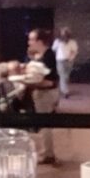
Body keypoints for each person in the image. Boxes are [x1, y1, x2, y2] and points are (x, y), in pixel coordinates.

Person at [26, 28, 60, 164]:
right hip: (43, 92)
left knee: (45, 124)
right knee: (44, 124)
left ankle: (48, 154)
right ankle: (46, 152)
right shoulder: (42, 54)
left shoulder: (48, 55)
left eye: (31, 39)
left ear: (39, 41)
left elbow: (49, 79)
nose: (29, 42)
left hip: (47, 93)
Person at [52, 27, 78, 98]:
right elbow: (53, 49)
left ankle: (63, 88)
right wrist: (58, 44)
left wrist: (71, 58)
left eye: (65, 35)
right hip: (60, 60)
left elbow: (74, 51)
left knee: (66, 76)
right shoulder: (57, 41)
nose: (64, 36)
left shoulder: (72, 42)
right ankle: (65, 91)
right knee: (62, 75)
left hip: (69, 61)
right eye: (62, 34)